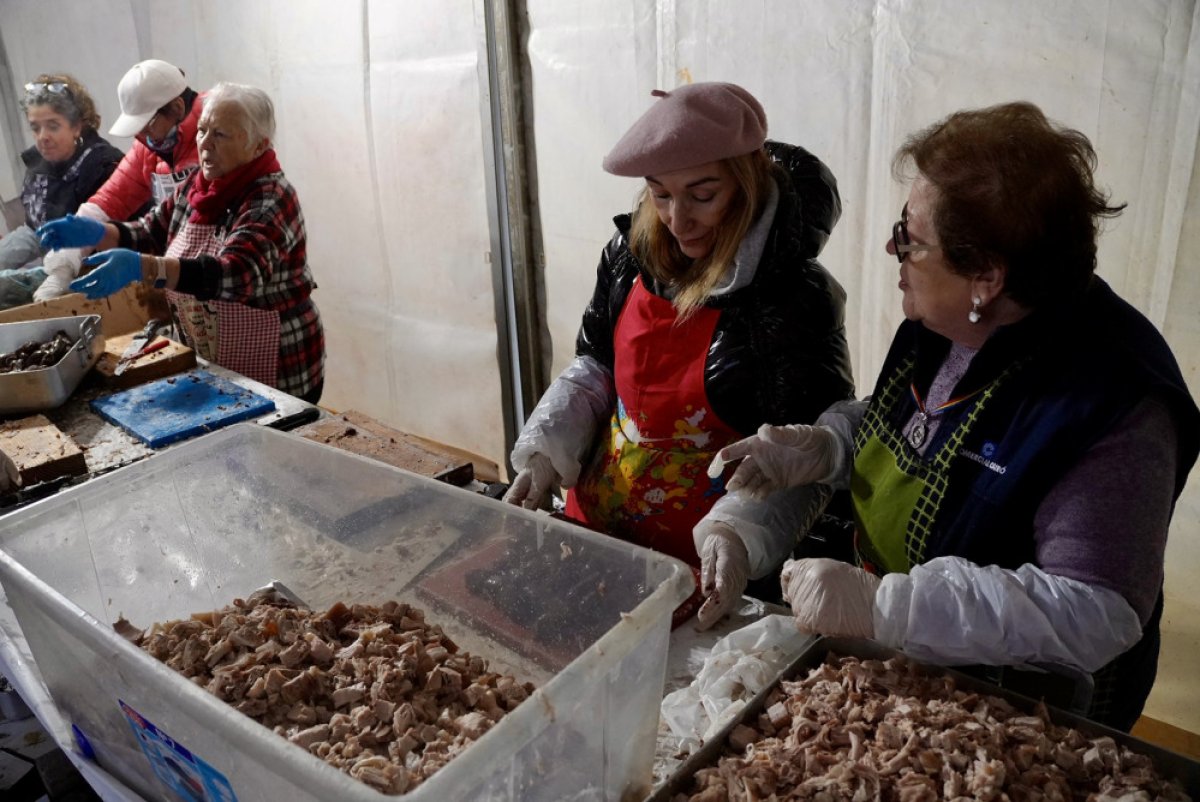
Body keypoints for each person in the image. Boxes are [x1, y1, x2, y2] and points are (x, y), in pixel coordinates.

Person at [709, 101, 1200, 730]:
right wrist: (828, 446)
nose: (892, 247)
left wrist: (887, 608)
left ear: (987, 276)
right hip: (909, 657)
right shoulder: (950, 315)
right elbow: (922, 428)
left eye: (909, 238)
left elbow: (1093, 610)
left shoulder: (1115, 402)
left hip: (1024, 699)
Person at [503, 82, 855, 629]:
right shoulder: (627, 255)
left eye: (702, 194)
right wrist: (548, 449)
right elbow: (597, 365)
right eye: (660, 194)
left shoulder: (795, 301)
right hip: (598, 529)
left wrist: (738, 535)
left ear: (747, 180)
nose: (677, 218)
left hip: (708, 554)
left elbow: (804, 455)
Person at [38, 82, 325, 403]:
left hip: (277, 360)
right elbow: (150, 231)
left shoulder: (270, 196)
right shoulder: (198, 185)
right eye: (202, 130)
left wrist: (144, 267)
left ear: (259, 145)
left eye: (221, 135)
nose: (205, 144)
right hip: (219, 353)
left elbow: (235, 275)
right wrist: (99, 233)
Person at [34, 59, 205, 301]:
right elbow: (109, 200)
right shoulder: (148, 148)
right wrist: (64, 265)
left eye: (148, 126)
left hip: (216, 276)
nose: (142, 137)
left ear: (177, 108)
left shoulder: (215, 141)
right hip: (175, 274)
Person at [0, 74, 123, 307]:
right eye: (35, 128)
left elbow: (106, 239)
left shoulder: (103, 166)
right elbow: (35, 229)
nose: (42, 138)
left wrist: (52, 273)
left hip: (94, 269)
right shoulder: (39, 165)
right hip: (51, 256)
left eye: (53, 126)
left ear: (77, 126)